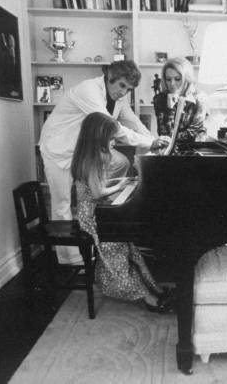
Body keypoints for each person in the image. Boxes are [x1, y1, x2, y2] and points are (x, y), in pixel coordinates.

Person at [39, 60, 169, 264]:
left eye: (129, 89)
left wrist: (156, 140)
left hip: (83, 150)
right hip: (59, 148)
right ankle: (69, 260)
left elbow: (132, 121)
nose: (124, 92)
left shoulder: (119, 98)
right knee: (62, 204)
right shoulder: (88, 90)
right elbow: (115, 128)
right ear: (110, 78)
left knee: (121, 162)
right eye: (122, 86)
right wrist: (150, 143)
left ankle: (102, 211)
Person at [71, 113, 173, 312]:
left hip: (94, 209)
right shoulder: (92, 159)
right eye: (110, 139)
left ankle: (153, 288)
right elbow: (98, 191)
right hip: (90, 216)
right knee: (116, 247)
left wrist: (120, 183)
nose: (114, 142)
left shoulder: (89, 155)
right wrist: (121, 187)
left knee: (128, 246)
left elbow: (98, 186)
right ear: (98, 137)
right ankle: (147, 296)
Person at [153, 57, 206, 152]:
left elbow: (193, 133)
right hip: (169, 152)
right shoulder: (160, 99)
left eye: (177, 79)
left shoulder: (199, 98)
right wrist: (170, 109)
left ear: (187, 79)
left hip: (194, 151)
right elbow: (164, 135)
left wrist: (173, 139)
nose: (172, 84)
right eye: (168, 79)